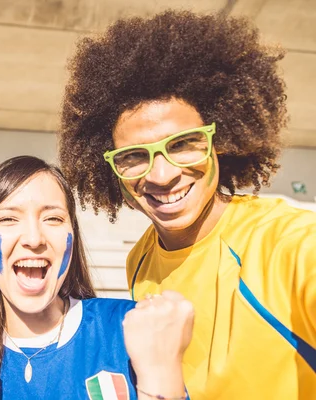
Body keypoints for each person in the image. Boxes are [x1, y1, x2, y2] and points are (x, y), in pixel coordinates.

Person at [58, 10, 316, 399]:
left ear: (220, 141)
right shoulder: (140, 259)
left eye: (182, 144)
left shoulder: (289, 243)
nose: (161, 175)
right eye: (133, 156)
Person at [0, 156, 194, 399]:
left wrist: (161, 375)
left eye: (53, 218)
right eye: (8, 219)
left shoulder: (128, 328)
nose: (33, 238)